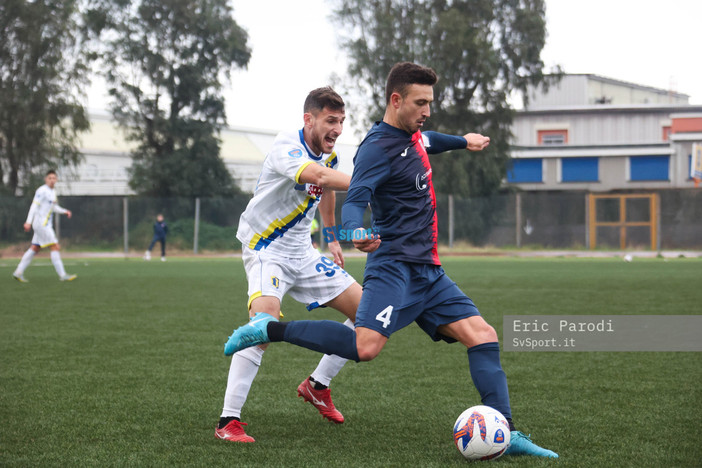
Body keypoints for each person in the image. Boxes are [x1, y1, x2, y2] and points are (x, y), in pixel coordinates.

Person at [224, 63, 558, 458]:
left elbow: (424, 142)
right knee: (360, 345)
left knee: (482, 335)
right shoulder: (358, 149)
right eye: (421, 102)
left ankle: (507, 429)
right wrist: (356, 225)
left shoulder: (407, 138)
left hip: (420, 270)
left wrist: (462, 141)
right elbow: (351, 192)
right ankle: (240, 393)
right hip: (290, 252)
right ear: (396, 100)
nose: (427, 110)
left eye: (430, 102)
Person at [216, 86, 364, 443]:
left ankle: (317, 385)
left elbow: (327, 190)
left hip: (304, 253)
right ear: (308, 119)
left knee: (370, 315)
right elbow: (322, 178)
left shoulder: (331, 155)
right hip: (267, 249)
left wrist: (331, 237)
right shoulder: (287, 147)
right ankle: (227, 421)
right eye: (331, 121)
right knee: (262, 327)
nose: (337, 129)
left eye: (342, 122)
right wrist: (375, 185)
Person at [12, 169, 77, 283]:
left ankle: (18, 272)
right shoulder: (42, 190)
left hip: (42, 224)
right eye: (50, 178)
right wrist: (28, 221)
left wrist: (65, 211)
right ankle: (62, 275)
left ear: (56, 180)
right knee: (55, 246)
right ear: (45, 179)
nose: (52, 180)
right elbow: (34, 206)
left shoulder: (52, 192)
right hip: (42, 224)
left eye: (54, 178)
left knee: (35, 248)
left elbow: (54, 208)